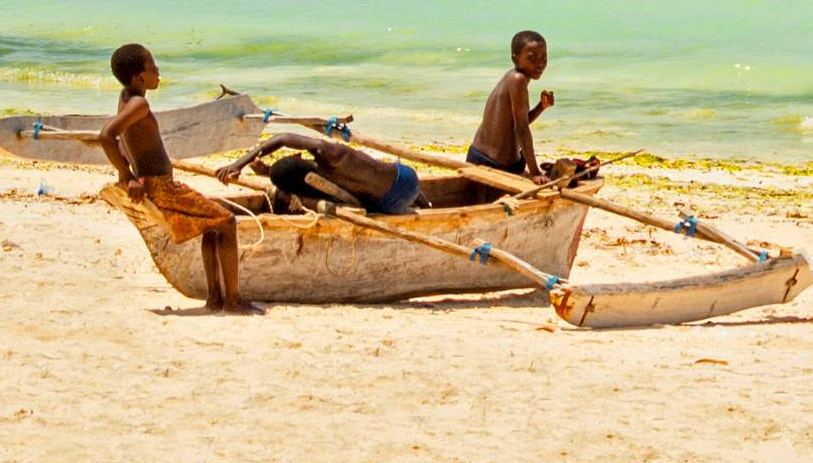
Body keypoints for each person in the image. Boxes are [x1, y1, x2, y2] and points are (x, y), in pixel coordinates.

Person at [98, 43, 261, 314]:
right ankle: (232, 300)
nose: (158, 70)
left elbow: (124, 139)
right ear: (140, 77)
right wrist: (128, 177)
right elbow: (106, 136)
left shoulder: (125, 96)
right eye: (152, 66)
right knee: (227, 222)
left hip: (153, 182)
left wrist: (129, 174)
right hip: (161, 186)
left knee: (213, 224)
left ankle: (215, 299)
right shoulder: (139, 103)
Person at [215, 130, 422, 216]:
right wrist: (239, 164)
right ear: (298, 158)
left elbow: (299, 176)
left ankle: (419, 198)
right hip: (406, 181)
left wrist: (246, 167)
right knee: (377, 174)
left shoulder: (318, 186)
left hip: (385, 204)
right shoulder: (331, 155)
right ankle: (421, 197)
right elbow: (283, 138)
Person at [468, 29, 554, 177]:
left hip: (478, 155)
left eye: (543, 57)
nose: (540, 63)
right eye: (532, 58)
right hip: (496, 166)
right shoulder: (518, 80)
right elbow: (521, 129)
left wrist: (541, 107)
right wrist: (535, 172)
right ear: (515, 59)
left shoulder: (511, 76)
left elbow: (515, 122)